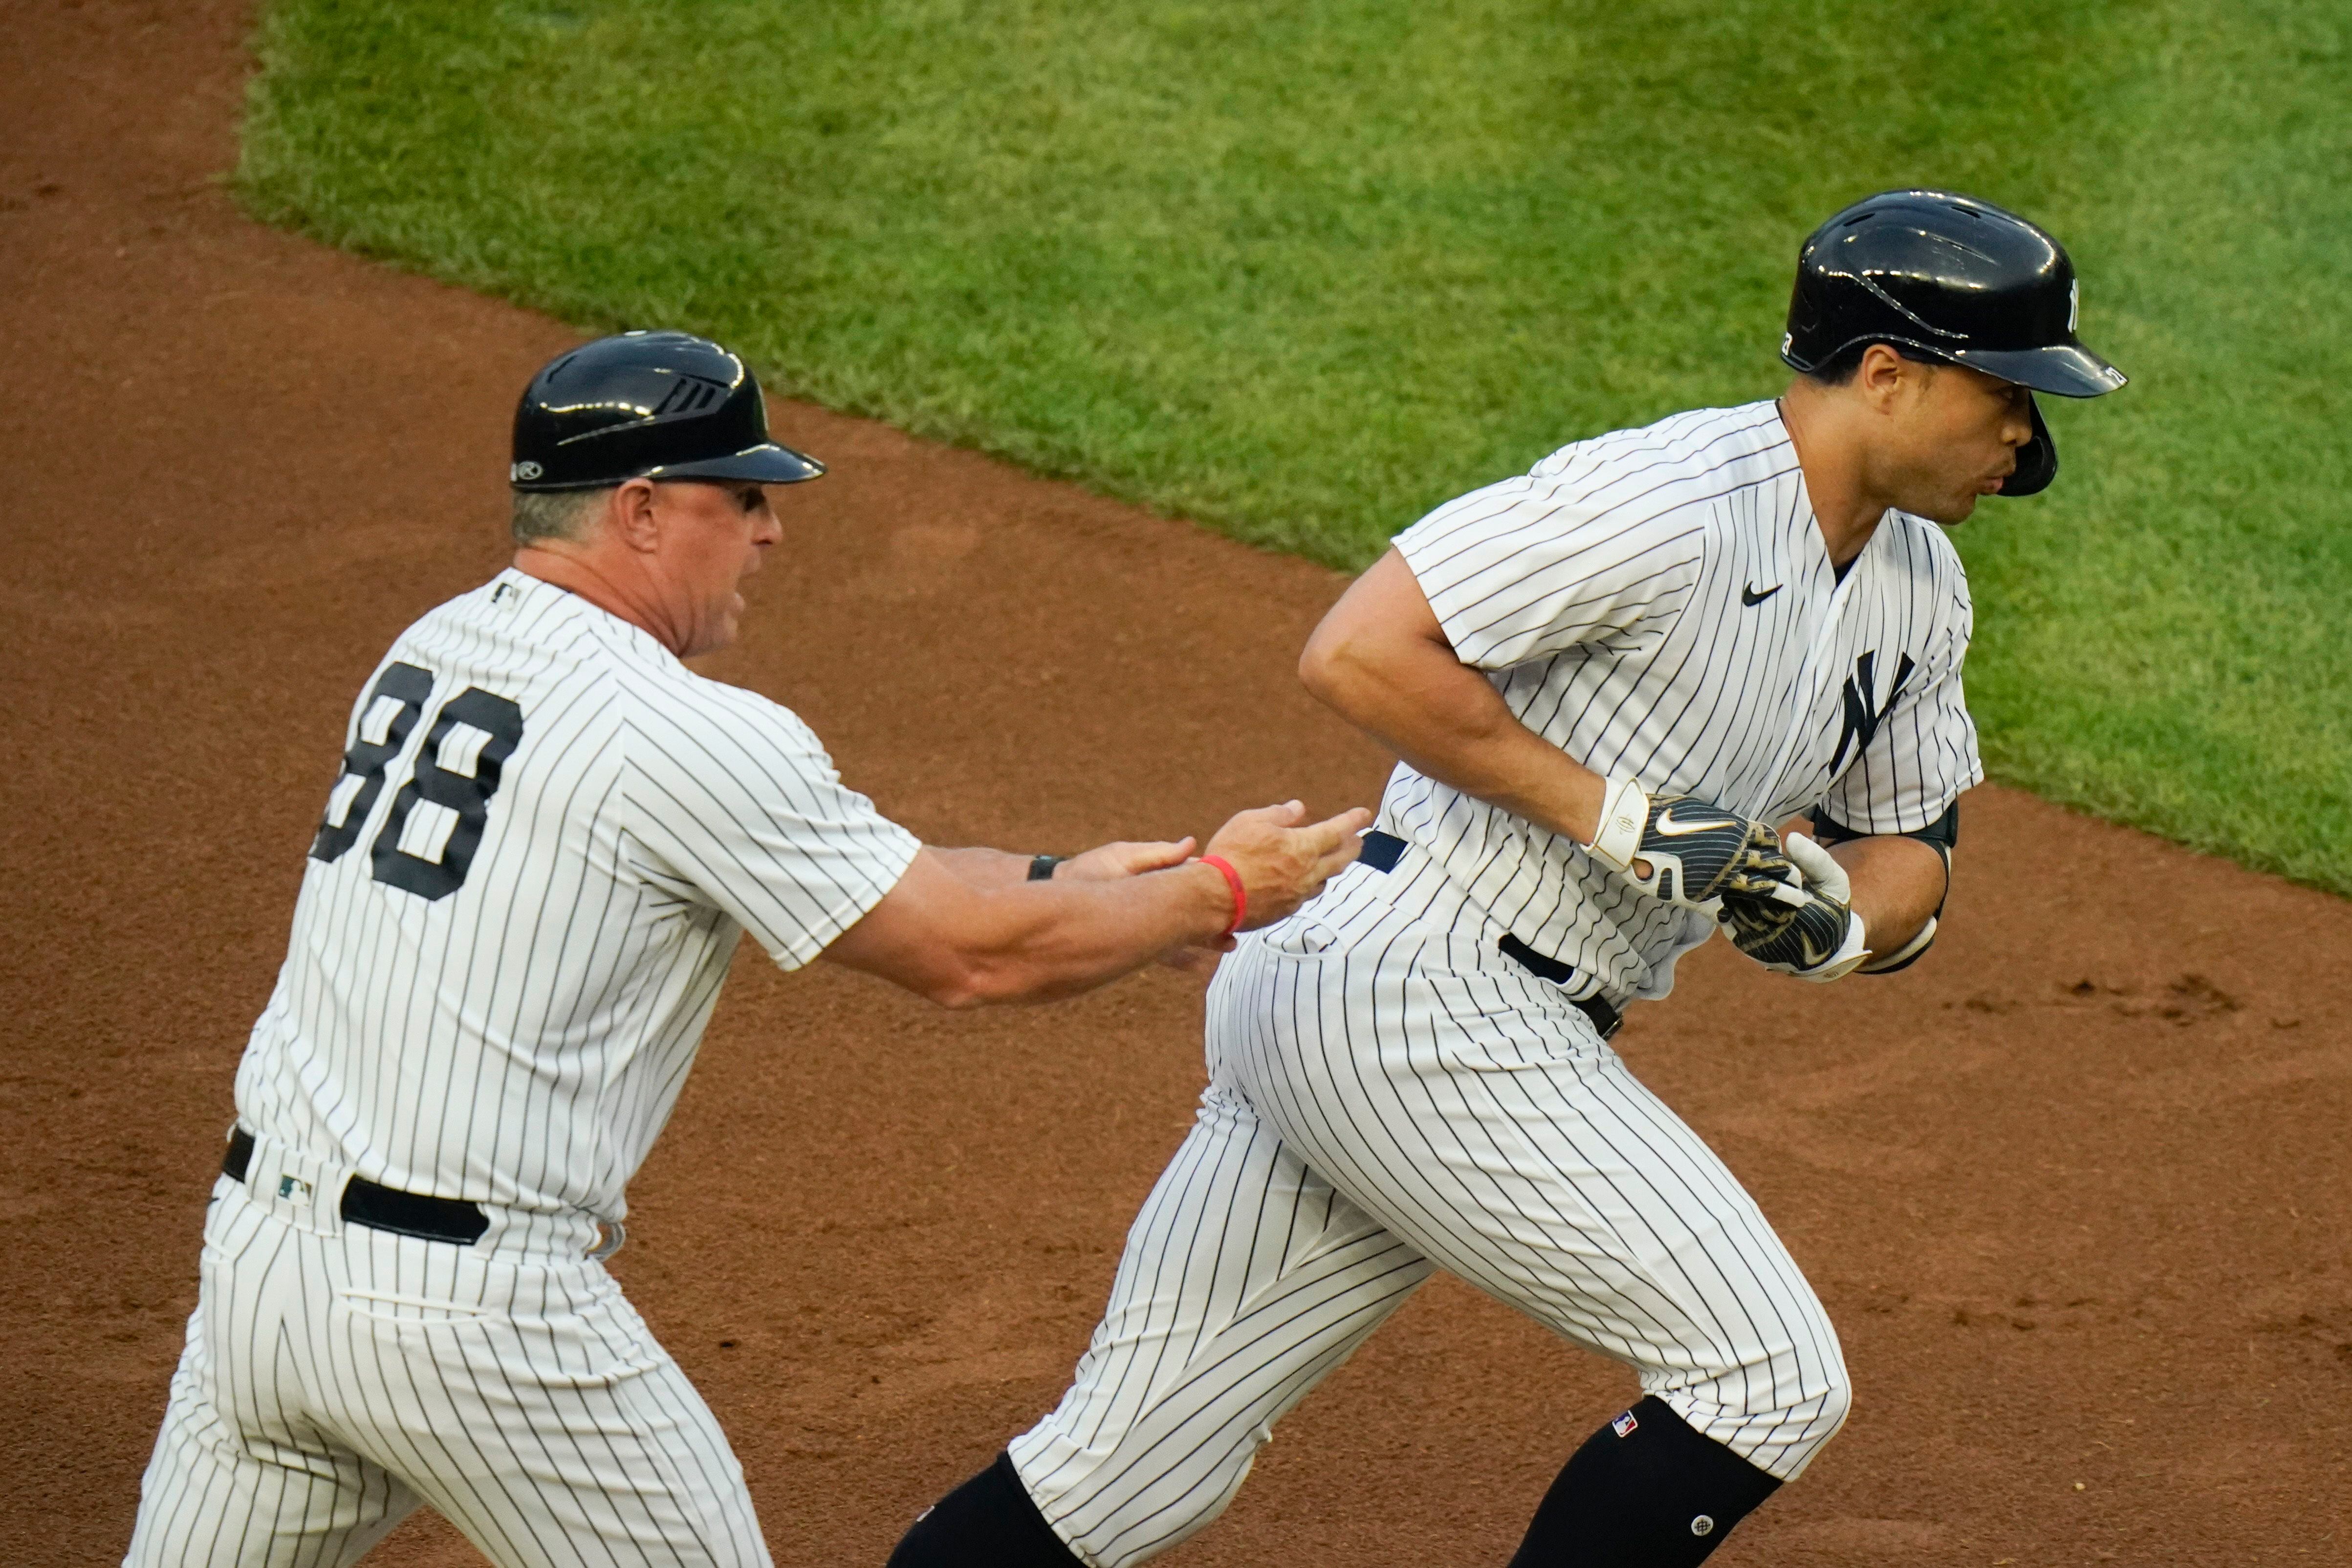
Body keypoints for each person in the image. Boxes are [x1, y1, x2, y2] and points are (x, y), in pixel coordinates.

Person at [886, 189, 2128, 1568]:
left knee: (1127, 1471)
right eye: (2005, 391)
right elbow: (1358, 649)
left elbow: (1913, 849)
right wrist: (1622, 820)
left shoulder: (1924, 589)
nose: (2028, 434)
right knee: (1765, 1377)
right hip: (1421, 993)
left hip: (1396, 1014)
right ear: (1883, 376)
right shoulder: (1661, 502)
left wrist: (1841, 921)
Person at [121, 329, 1369, 1568]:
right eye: (746, 495)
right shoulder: (682, 729)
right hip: (472, 1322)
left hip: (259, 1281)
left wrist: (1068, 879)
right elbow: (970, 957)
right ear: (645, 508)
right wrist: (1217, 889)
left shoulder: (435, 646)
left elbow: (896, 877)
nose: (772, 529)